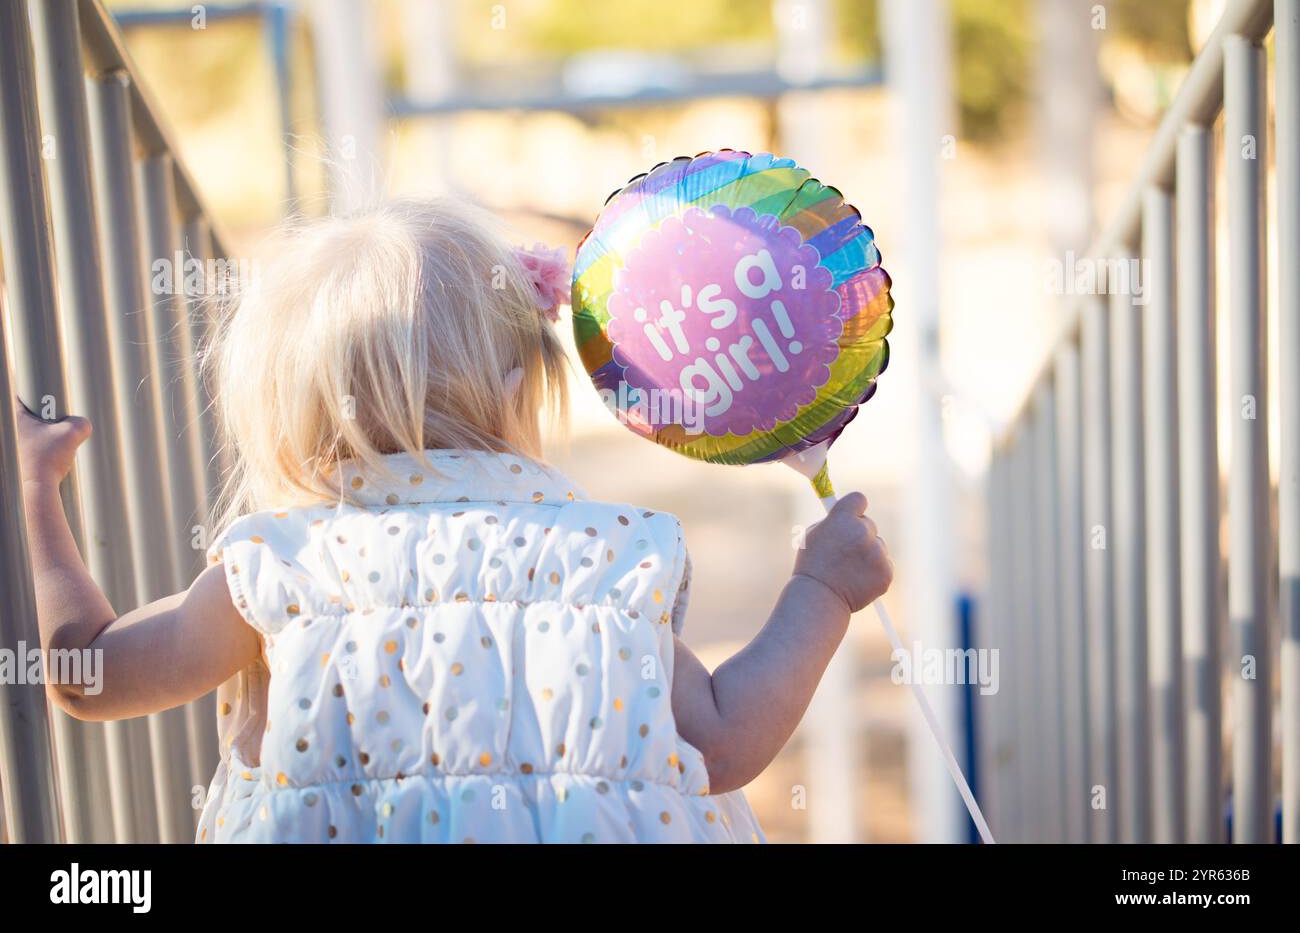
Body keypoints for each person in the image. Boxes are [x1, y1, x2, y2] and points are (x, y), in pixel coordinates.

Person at [15, 197, 892, 843]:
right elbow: (731, 737)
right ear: (521, 384)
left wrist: (33, 492)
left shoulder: (281, 565)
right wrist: (821, 590)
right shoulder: (601, 556)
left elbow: (87, 674)